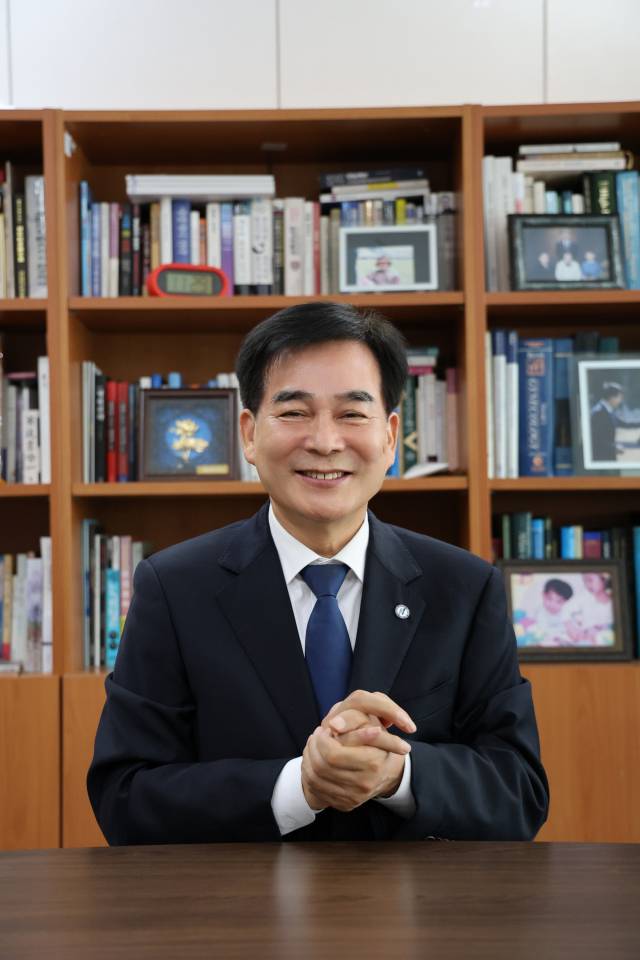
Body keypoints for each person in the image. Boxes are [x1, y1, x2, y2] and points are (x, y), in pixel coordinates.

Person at [87, 301, 549, 844]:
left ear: (390, 437)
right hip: (240, 895)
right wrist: (299, 785)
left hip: (416, 897)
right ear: (249, 434)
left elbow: (519, 791)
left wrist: (398, 775)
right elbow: (125, 796)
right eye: (294, 412)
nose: (325, 442)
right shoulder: (173, 587)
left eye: (352, 414)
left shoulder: (465, 587)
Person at [590, 382, 625, 461]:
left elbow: (624, 423)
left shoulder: (607, 409)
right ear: (612, 397)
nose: (620, 401)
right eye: (620, 397)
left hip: (607, 455)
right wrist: (614, 447)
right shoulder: (599, 412)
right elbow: (596, 439)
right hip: (601, 458)